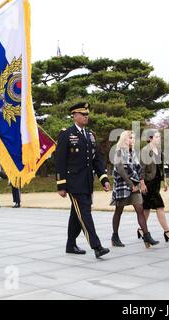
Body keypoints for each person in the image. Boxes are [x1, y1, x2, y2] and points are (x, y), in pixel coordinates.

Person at [55, 102, 110, 259]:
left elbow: (96, 159)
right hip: (73, 183)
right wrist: (61, 185)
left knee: (76, 215)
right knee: (85, 213)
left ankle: (70, 244)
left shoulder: (90, 135)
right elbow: (60, 161)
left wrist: (104, 178)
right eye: (83, 114)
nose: (86, 117)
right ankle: (97, 246)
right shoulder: (66, 134)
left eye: (87, 114)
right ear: (75, 116)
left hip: (87, 182)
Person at [110, 130, 159, 248]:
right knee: (118, 211)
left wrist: (138, 183)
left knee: (140, 209)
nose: (133, 140)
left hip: (134, 184)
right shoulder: (118, 152)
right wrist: (130, 184)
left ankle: (146, 235)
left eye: (134, 138)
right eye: (131, 137)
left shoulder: (133, 152)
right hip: (122, 185)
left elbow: (137, 168)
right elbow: (120, 170)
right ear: (125, 139)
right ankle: (115, 236)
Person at [140, 129, 169, 242]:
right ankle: (167, 232)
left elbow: (161, 168)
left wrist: (164, 181)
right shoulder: (145, 151)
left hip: (156, 182)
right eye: (156, 137)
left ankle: (141, 229)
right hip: (148, 183)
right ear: (150, 138)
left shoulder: (159, 151)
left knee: (146, 208)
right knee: (160, 206)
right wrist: (141, 183)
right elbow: (141, 169)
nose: (159, 139)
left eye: (159, 137)